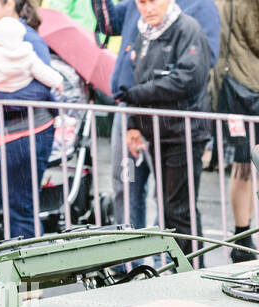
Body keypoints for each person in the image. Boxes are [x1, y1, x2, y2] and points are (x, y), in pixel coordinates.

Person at [92, 0, 218, 233]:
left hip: (182, 128)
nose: (147, 8)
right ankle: (132, 262)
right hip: (145, 121)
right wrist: (132, 121)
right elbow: (109, 25)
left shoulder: (192, 20)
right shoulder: (145, 28)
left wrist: (140, 93)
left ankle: (187, 263)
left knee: (176, 207)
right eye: (142, 2)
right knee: (132, 190)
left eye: (152, 2)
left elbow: (193, 73)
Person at [0, 0, 57, 242]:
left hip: (21, 135)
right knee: (14, 209)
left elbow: (40, 90)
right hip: (2, 134)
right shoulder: (0, 37)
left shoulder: (29, 40)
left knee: (21, 209)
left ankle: (32, 271)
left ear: (10, 5)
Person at [214, 0, 259, 260]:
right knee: (244, 166)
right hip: (244, 91)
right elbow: (222, 49)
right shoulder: (233, 5)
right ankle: (242, 237)